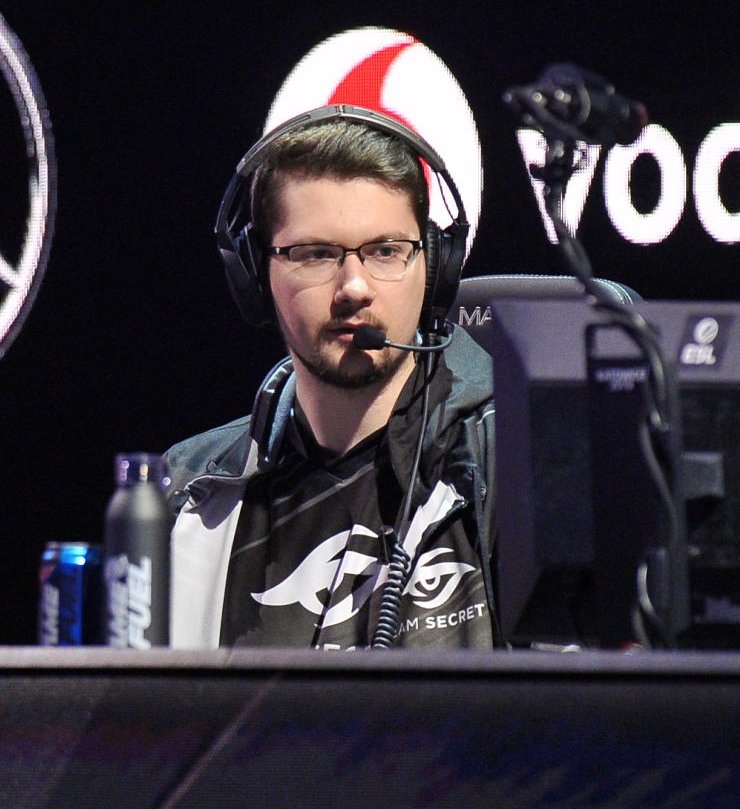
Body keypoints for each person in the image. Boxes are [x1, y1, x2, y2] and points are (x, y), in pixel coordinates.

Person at [164, 105, 498, 649]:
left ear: (435, 269)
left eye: (386, 251)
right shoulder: (189, 494)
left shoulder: (503, 466)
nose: (354, 287)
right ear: (255, 276)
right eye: (316, 254)